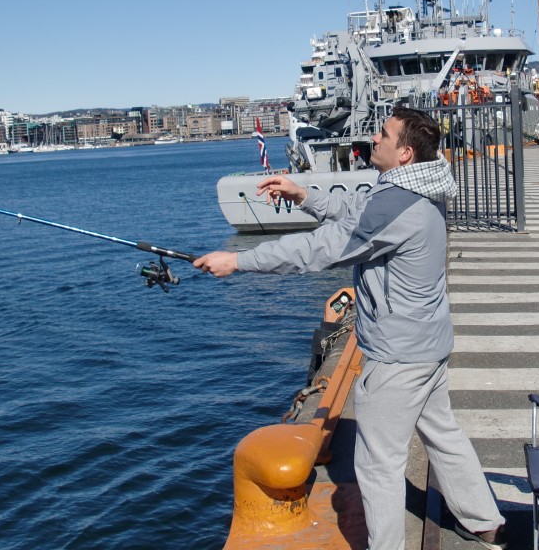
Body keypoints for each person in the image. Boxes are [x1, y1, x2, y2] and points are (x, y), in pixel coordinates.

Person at [193, 107, 506, 550]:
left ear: (405, 153)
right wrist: (303, 195)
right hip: (429, 344)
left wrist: (239, 260)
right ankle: (485, 522)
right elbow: (357, 209)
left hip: (398, 356)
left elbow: (321, 248)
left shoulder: (398, 203)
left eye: (385, 134)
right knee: (443, 434)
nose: (374, 138)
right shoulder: (420, 185)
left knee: (379, 464)